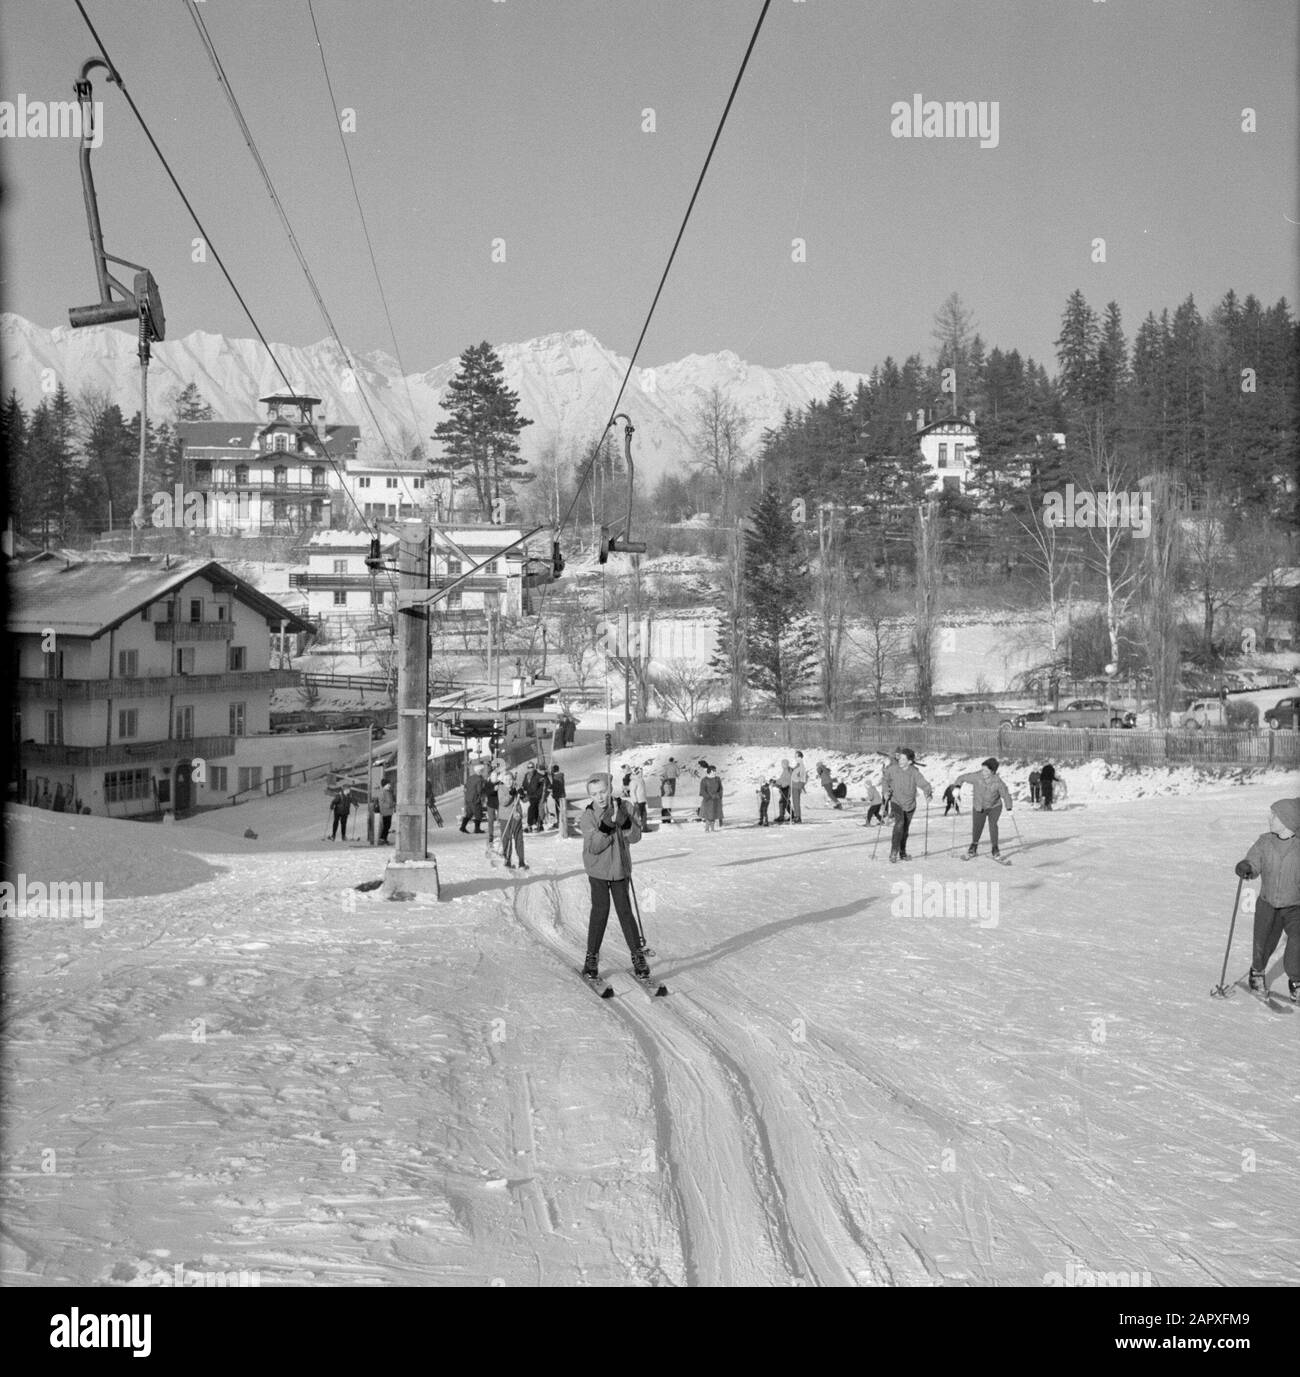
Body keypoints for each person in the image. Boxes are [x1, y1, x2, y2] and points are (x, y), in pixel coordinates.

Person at [580, 773, 649, 980]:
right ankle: (591, 958)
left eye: (603, 791)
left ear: (610, 789)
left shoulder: (625, 807)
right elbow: (594, 847)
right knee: (600, 911)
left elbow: (636, 837)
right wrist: (607, 825)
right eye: (594, 794)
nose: (600, 797)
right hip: (598, 871)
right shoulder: (588, 815)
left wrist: (625, 823)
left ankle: (638, 956)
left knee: (625, 912)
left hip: (620, 869)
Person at [1235, 798, 1300, 1003]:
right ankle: (1257, 972)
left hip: (1295, 906)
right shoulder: (1265, 842)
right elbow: (1253, 861)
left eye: (1274, 815)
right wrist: (1247, 867)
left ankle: (1296, 981)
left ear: (1288, 820)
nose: (1269, 818)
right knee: (1263, 942)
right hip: (1267, 904)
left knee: (1298, 944)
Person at [953, 758, 1013, 859]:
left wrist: (1009, 807)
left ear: (992, 771)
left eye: (986, 770)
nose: (983, 772)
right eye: (982, 769)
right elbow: (961, 778)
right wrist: (957, 787)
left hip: (994, 806)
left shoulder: (998, 782)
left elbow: (1005, 794)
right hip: (979, 806)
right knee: (977, 826)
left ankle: (995, 848)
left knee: (993, 825)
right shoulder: (976, 777)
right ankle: (974, 846)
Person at [881, 746, 932, 863]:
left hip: (910, 804)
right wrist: (885, 791)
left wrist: (928, 793)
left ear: (909, 762)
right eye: (900, 758)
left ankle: (902, 851)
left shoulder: (914, 772)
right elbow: (885, 779)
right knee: (899, 823)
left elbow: (923, 784)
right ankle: (893, 851)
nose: (900, 761)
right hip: (896, 801)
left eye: (903, 759)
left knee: (904, 830)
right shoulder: (892, 769)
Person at [500, 786, 528, 869]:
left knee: (519, 839)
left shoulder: (516, 787)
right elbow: (503, 802)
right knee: (507, 839)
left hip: (516, 816)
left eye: (510, 779)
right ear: (503, 780)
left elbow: (525, 800)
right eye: (507, 779)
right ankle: (507, 860)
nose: (509, 781)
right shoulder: (501, 789)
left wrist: (523, 795)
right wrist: (510, 794)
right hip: (506, 817)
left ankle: (521, 862)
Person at [459, 766, 485, 834]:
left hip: (468, 799)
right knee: (478, 814)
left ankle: (462, 827)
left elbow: (465, 787)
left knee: (469, 813)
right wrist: (483, 795)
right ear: (479, 771)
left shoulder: (470, 777)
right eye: (481, 770)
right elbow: (479, 790)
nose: (482, 771)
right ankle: (477, 829)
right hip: (475, 799)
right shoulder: (479, 779)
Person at [699, 765, 723, 832]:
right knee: (708, 815)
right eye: (714, 771)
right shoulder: (704, 780)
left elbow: (720, 788)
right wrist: (708, 797)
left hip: (716, 799)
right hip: (708, 800)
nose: (715, 772)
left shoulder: (717, 779)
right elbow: (702, 790)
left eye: (715, 770)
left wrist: (719, 795)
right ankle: (707, 828)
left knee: (714, 814)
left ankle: (712, 828)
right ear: (710, 771)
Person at [790, 751, 808, 823]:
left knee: (796, 801)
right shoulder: (798, 764)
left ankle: (798, 817)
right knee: (795, 801)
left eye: (796, 756)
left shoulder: (801, 765)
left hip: (797, 785)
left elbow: (802, 776)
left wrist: (800, 783)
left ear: (800, 757)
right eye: (795, 756)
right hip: (795, 784)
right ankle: (797, 816)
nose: (795, 757)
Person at [660, 756, 678, 824]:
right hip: (672, 779)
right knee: (670, 796)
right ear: (673, 760)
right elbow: (678, 773)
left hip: (666, 780)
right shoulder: (675, 765)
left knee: (665, 797)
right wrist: (676, 775)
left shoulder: (666, 766)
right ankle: (668, 818)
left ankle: (664, 818)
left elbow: (664, 773)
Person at [378, 780, 396, 844]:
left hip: (389, 811)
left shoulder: (389, 791)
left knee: (388, 825)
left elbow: (391, 800)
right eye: (388, 784)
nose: (389, 785)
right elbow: (381, 802)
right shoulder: (382, 792)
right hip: (385, 811)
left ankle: (384, 838)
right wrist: (389, 805)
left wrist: (393, 804)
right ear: (385, 785)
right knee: (386, 826)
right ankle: (382, 839)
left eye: (389, 784)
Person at [549, 765, 566, 832]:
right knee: (559, 810)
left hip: (559, 796)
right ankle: (559, 822)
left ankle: (560, 823)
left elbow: (556, 786)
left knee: (560, 810)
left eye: (552, 770)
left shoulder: (557, 777)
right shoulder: (558, 776)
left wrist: (551, 788)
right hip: (560, 795)